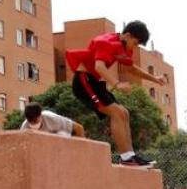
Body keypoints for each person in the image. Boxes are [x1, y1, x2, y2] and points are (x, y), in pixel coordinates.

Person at [65, 21, 165, 166]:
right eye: (135, 43)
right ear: (128, 35)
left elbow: (131, 69)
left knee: (124, 112)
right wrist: (117, 85)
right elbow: (99, 67)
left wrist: (154, 79)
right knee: (116, 113)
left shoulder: (123, 47)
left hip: (96, 82)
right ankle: (125, 158)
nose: (135, 47)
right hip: (83, 81)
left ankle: (131, 156)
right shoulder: (105, 42)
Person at [18, 102, 84, 137]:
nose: (33, 124)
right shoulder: (24, 127)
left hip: (59, 141)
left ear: (40, 116)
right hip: (42, 147)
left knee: (61, 134)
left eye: (35, 121)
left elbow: (79, 128)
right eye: (30, 122)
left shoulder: (52, 118)